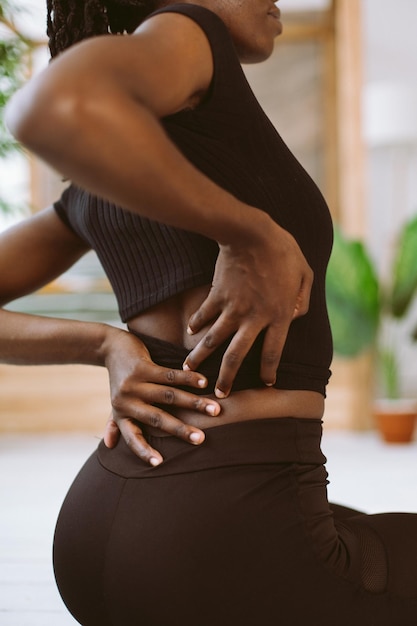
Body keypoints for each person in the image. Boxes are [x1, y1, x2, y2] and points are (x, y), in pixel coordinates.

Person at [3, 0, 417, 624]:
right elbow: (50, 107)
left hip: (97, 534)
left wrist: (103, 344)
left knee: (361, 528)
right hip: (214, 539)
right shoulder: (190, 31)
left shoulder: (110, 182)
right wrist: (248, 233)